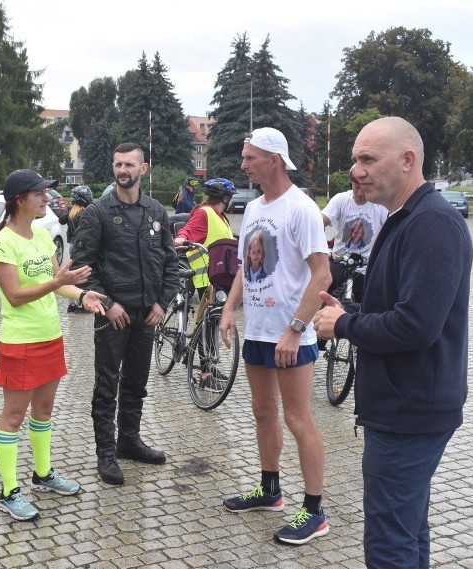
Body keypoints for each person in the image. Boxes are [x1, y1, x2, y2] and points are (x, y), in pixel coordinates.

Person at [313, 117, 471, 568]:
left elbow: (415, 326)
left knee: (389, 542)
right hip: (406, 405)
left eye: (367, 159)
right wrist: (351, 314)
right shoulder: (406, 218)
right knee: (407, 530)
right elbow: (402, 309)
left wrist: (344, 326)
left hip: (411, 412)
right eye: (354, 160)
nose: (356, 171)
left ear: (407, 161)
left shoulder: (431, 224)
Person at [218, 127, 331, 545]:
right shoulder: (252, 209)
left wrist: (295, 329)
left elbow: (322, 273)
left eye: (250, 158)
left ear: (274, 161)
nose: (244, 163)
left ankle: (315, 511)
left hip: (291, 335)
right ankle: (270, 490)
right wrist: (230, 308)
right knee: (263, 413)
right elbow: (247, 268)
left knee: (299, 419)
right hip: (260, 332)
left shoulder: (300, 208)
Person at [0, 169, 107, 521]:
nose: (47, 199)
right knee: (13, 416)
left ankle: (43, 475)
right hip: (20, 341)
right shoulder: (2, 243)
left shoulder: (42, 235)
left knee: (44, 411)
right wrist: (58, 280)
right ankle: (9, 492)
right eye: (40, 193)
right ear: (20, 199)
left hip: (50, 336)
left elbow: (56, 284)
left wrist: (82, 293)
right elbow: (16, 295)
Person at [70, 142, 178, 486]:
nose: (123, 171)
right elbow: (84, 268)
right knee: (107, 386)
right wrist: (107, 304)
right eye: (118, 164)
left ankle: (129, 441)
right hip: (112, 315)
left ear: (143, 169)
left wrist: (162, 303)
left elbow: (170, 263)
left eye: (129, 165)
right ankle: (106, 452)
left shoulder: (156, 212)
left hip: (147, 315)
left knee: (136, 383)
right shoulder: (98, 213)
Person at [322, 167, 387, 299]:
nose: (360, 193)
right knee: (321, 291)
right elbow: (318, 223)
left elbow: (392, 233)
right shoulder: (341, 200)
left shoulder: (379, 205)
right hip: (339, 261)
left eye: (364, 188)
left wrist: (379, 256)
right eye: (356, 187)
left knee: (373, 300)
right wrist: (324, 250)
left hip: (366, 266)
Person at [173, 177, 236, 297]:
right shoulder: (204, 212)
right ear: (225, 198)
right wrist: (181, 238)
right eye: (231, 198)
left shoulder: (220, 217)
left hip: (222, 274)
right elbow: (189, 229)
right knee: (215, 314)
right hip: (208, 277)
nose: (231, 202)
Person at [58, 185, 94, 312]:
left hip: (72, 246)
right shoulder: (85, 213)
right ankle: (81, 303)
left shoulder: (72, 211)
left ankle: (72, 304)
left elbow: (61, 220)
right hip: (81, 246)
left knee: (73, 272)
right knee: (82, 274)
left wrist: (67, 209)